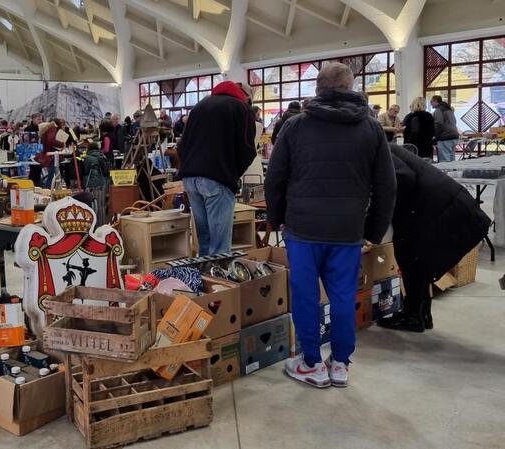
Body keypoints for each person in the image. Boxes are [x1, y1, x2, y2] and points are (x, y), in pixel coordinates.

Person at [264, 63, 396, 388]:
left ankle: (311, 363)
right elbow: (387, 185)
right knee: (342, 295)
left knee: (306, 296)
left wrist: (275, 217)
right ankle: (340, 363)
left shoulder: (295, 126)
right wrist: (373, 230)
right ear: (350, 87)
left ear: (318, 89)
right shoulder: (370, 128)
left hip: (302, 229)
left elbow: (275, 178)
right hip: (348, 230)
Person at [378, 145, 490, 332]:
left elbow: (404, 178)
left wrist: (386, 209)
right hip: (443, 204)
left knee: (410, 255)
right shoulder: (379, 145)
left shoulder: (375, 149)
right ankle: (420, 315)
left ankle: (414, 316)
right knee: (418, 258)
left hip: (441, 208)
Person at [177, 81, 256, 256]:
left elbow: (181, 146)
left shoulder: (200, 106)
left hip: (190, 178)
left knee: (204, 242)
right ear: (246, 96)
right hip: (217, 178)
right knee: (220, 247)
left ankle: (204, 280)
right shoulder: (240, 108)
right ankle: (219, 282)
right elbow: (248, 149)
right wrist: (232, 175)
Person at [431, 95, 459, 162]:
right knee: (452, 159)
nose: (430, 103)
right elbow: (455, 122)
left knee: (444, 160)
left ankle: (445, 173)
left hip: (445, 137)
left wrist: (434, 135)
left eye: (431, 101)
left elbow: (438, 124)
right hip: (454, 136)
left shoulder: (438, 110)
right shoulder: (448, 109)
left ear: (435, 101)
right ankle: (453, 172)